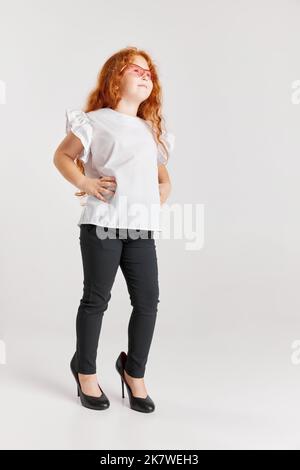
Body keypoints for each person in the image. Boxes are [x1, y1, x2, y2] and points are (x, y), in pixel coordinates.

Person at [53, 46, 175, 413]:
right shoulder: (95, 121)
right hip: (103, 225)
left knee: (148, 301)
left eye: (148, 71)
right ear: (115, 78)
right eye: (134, 69)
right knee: (96, 300)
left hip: (140, 230)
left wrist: (162, 192)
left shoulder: (149, 130)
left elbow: (163, 178)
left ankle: (132, 371)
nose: (144, 74)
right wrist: (88, 185)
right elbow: (62, 156)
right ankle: (84, 370)